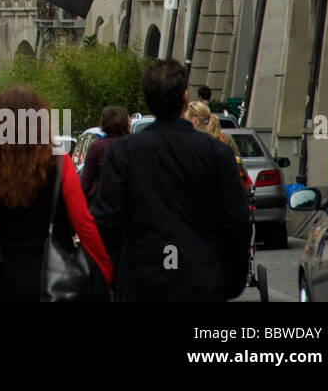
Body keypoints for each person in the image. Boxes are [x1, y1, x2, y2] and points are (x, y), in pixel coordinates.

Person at [91, 59, 252, 302]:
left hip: (142, 279)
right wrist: (227, 279)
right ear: (185, 98)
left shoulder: (125, 153)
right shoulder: (216, 153)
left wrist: (118, 274)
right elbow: (236, 222)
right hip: (199, 277)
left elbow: (106, 221)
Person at [0, 86, 113, 301]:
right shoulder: (61, 165)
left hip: (5, 281)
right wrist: (105, 269)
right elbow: (83, 223)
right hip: (56, 279)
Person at [79, 106, 129, 203]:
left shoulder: (98, 146)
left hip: (102, 201)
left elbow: (86, 180)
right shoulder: (133, 145)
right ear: (124, 123)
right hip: (127, 202)